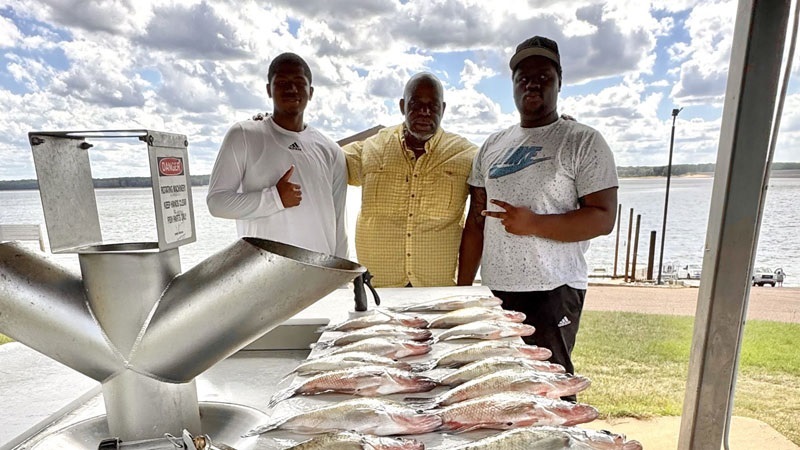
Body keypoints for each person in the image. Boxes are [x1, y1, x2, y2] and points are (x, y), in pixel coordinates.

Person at [457, 36, 619, 400]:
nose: (532, 84)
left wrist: (534, 224)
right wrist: (464, 289)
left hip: (552, 291)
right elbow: (476, 222)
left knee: (551, 394)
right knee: (498, 391)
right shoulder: (492, 145)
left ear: (560, 82)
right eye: (523, 77)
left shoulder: (582, 141)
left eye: (543, 76)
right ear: (513, 85)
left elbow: (603, 217)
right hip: (495, 292)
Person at [342, 73, 478, 287]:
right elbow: (321, 162)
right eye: (416, 104)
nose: (424, 112)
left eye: (432, 106)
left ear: (443, 109)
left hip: (437, 289)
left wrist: (464, 288)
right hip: (378, 289)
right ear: (402, 106)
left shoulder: (466, 155)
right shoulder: (371, 148)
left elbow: (480, 220)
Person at [207, 52, 348, 258]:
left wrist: (343, 271)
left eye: (299, 82)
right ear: (269, 89)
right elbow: (217, 203)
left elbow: (339, 221)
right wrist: (275, 198)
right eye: (282, 82)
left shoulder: (331, 150)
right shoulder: (243, 135)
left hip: (319, 272)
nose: (291, 88)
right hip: (264, 271)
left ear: (310, 92)